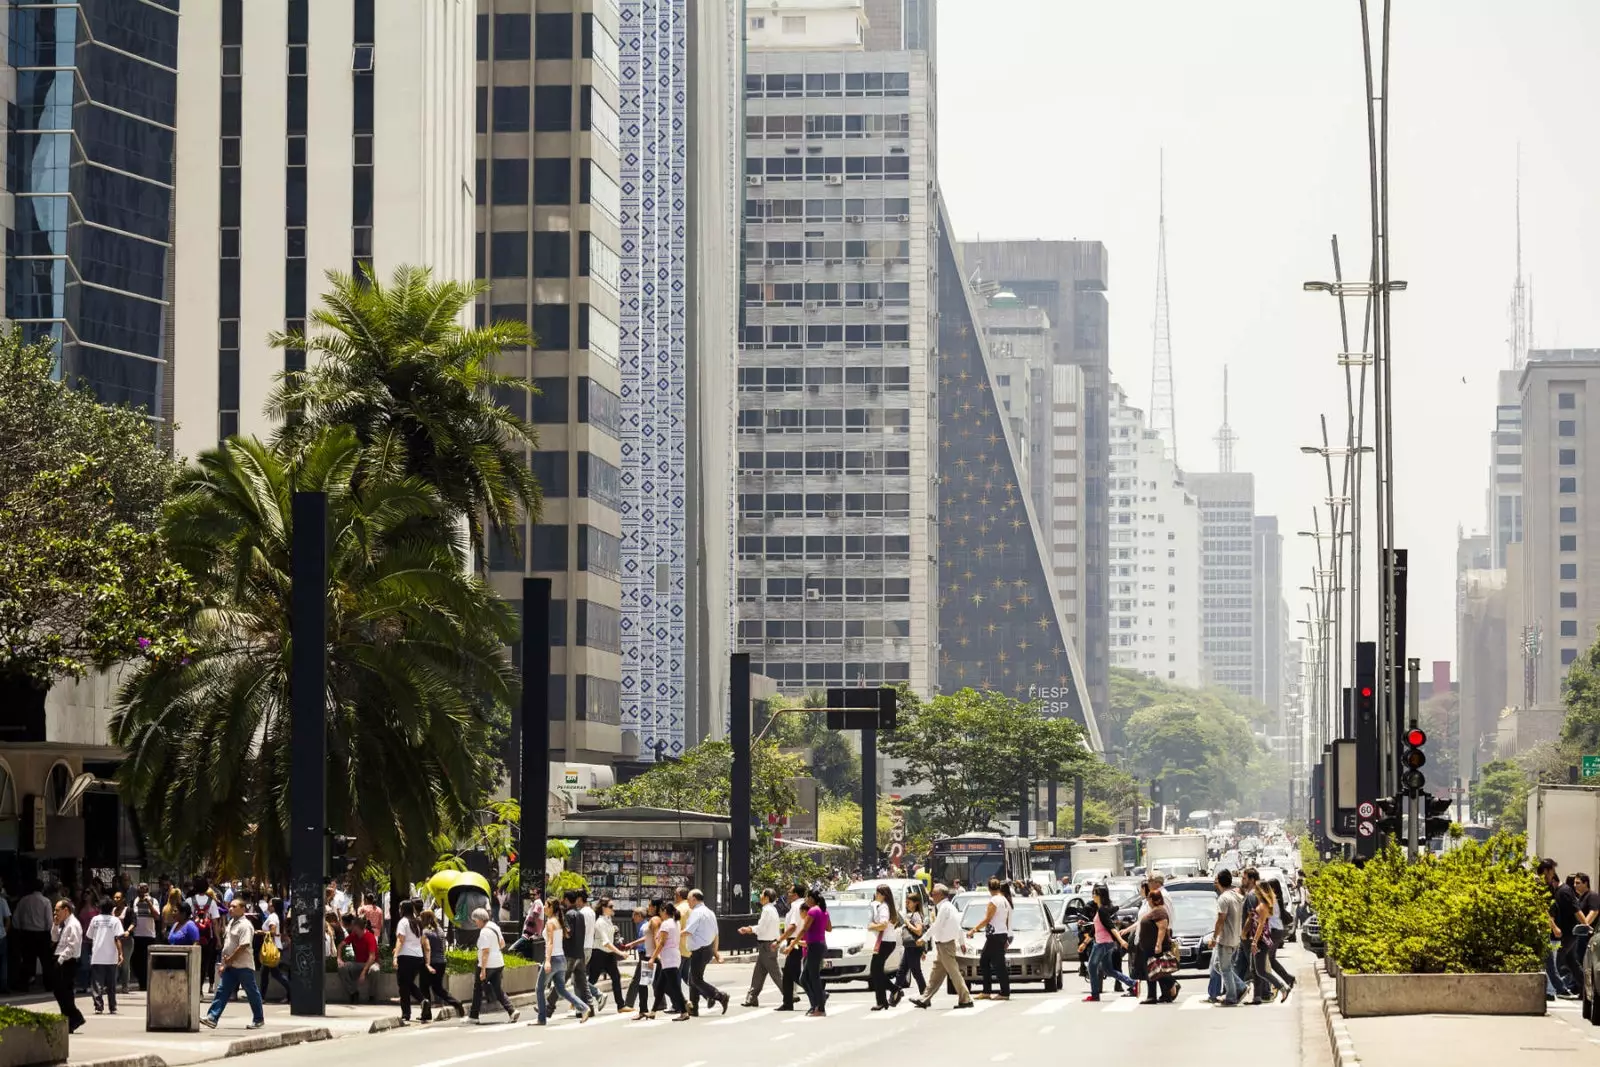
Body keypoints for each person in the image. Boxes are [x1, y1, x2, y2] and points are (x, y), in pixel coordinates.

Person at [200, 898, 264, 1030]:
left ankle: (258, 1019)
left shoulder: (245, 925)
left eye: (234, 907)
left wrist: (230, 959)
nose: (230, 909)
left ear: (243, 909)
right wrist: (225, 964)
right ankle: (212, 1017)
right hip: (230, 965)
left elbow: (244, 945)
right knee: (222, 991)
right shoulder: (231, 923)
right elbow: (228, 944)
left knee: (251, 992)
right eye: (230, 906)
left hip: (243, 965)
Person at [911, 883, 973, 1010]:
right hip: (943, 946)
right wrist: (961, 942)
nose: (931, 896)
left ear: (939, 895)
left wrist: (924, 938)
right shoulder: (949, 907)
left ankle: (966, 999)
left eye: (933, 894)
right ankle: (925, 999)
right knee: (936, 974)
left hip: (945, 945)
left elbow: (937, 926)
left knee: (954, 973)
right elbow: (959, 927)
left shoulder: (945, 908)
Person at [536, 899, 590, 1024]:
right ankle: (584, 1008)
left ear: (550, 908)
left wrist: (548, 961)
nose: (544, 908)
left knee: (539, 988)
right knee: (561, 989)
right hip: (561, 959)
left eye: (546, 905)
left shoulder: (550, 922)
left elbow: (550, 943)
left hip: (554, 958)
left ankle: (541, 1018)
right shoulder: (559, 921)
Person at [465, 906, 519, 1023]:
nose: (475, 923)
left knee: (478, 989)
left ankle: (474, 1016)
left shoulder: (484, 932)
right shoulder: (494, 926)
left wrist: (483, 970)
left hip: (487, 965)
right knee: (497, 989)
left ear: (479, 920)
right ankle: (511, 1010)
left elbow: (485, 952)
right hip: (498, 962)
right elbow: (502, 944)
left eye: (475, 921)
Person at [683, 888, 729, 1015]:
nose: (688, 903)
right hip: (706, 949)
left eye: (688, 900)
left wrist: (672, 935)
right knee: (693, 980)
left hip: (700, 951)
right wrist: (715, 952)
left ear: (694, 899)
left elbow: (688, 930)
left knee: (696, 980)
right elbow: (716, 934)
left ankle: (719, 996)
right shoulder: (710, 912)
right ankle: (693, 1008)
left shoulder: (697, 913)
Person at [1084, 884, 1134, 1002]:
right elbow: (1095, 929)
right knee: (1109, 970)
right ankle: (1133, 983)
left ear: (1100, 896)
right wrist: (1085, 943)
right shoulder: (1101, 909)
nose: (1093, 896)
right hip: (1106, 943)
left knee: (1092, 967)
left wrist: (1121, 941)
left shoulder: (1102, 910)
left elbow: (1111, 927)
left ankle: (1095, 995)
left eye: (1095, 894)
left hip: (1102, 944)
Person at [967, 877, 1013, 1001]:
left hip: (995, 935)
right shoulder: (1004, 900)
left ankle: (1004, 992)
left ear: (989, 888)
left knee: (999, 964)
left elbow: (987, 919)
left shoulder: (994, 900)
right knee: (984, 961)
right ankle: (987, 991)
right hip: (1000, 934)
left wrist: (974, 929)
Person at [1248, 876, 1290, 1004]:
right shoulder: (1266, 903)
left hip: (1261, 941)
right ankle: (1281, 988)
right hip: (1261, 940)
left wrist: (1254, 941)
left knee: (1261, 971)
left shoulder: (1263, 905)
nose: (1255, 891)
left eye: (1257, 889)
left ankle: (1283, 987)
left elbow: (1261, 925)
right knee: (1256, 969)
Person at [739, 887, 783, 1007]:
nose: (760, 897)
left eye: (762, 894)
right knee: (759, 972)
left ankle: (790, 993)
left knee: (775, 973)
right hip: (767, 945)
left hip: (767, 945)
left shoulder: (767, 910)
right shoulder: (772, 910)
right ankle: (752, 997)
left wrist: (749, 929)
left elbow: (761, 927)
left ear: (767, 897)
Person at [1208, 869, 1245, 1006]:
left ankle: (1231, 996)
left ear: (1219, 881)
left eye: (1216, 879)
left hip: (1226, 938)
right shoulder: (1236, 896)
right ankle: (1240, 986)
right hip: (1235, 937)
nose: (1214, 881)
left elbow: (1221, 919)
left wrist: (1214, 937)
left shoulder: (1223, 898)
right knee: (1219, 965)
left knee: (1225, 968)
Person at [649, 897, 690, 1021]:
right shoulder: (675, 922)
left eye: (661, 911)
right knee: (660, 986)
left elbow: (661, 943)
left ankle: (684, 1012)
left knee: (675, 987)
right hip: (673, 956)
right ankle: (653, 1011)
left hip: (669, 957)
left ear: (664, 911)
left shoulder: (666, 924)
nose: (660, 914)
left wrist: (653, 958)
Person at [418, 909, 462, 1022]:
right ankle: (456, 1003)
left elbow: (427, 948)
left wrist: (427, 964)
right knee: (438, 988)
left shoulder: (425, 932)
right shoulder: (440, 930)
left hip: (430, 962)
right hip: (441, 961)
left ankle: (426, 1013)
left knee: (424, 987)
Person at [50, 899, 86, 1032]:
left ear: (66, 910)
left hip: (67, 961)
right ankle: (68, 1018)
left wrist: (61, 960)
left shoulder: (73, 925)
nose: (55, 913)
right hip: (60, 958)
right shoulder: (63, 924)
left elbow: (73, 946)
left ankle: (75, 1018)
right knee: (59, 991)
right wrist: (55, 924)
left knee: (65, 992)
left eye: (57, 910)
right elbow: (54, 939)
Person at [1138, 888, 1178, 1004]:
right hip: (1149, 946)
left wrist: (1158, 944)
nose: (1148, 901)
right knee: (1156, 971)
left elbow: (1162, 928)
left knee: (1155, 970)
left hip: (1154, 947)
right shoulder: (1155, 910)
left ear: (1152, 900)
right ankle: (1164, 995)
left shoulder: (1159, 911)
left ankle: (1169, 986)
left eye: (1149, 899)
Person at [795, 889, 831, 1018]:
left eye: (806, 898)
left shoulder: (813, 911)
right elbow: (829, 928)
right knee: (805, 978)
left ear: (811, 898)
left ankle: (820, 1008)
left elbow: (804, 929)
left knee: (814, 977)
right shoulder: (823, 911)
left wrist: (793, 943)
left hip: (815, 946)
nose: (805, 900)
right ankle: (817, 1003)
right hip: (819, 945)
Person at [12, 880, 52, 993]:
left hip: (27, 934)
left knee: (27, 961)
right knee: (46, 961)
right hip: (42, 934)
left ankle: (24, 985)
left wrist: (20, 929)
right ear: (42, 889)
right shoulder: (45, 901)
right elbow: (49, 920)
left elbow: (15, 918)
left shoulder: (23, 900)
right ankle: (49, 985)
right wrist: (50, 932)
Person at [85, 898, 123, 1016]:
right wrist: (121, 953)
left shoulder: (95, 920)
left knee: (97, 984)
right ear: (112, 908)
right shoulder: (115, 921)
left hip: (97, 955)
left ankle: (98, 1006)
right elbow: (117, 938)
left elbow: (89, 936)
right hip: (111, 956)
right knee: (111, 984)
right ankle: (112, 1007)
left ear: (100, 908)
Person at [392, 900, 427, 1024]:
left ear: (403, 909)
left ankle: (406, 1013)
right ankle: (423, 1001)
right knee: (408, 983)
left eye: (400, 908)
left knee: (403, 985)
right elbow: (422, 940)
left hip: (405, 956)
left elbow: (400, 940)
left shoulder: (403, 922)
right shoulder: (417, 922)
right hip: (418, 956)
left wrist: (395, 956)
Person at [588, 897, 626, 1013]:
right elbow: (606, 942)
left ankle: (621, 1006)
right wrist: (620, 953)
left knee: (616, 977)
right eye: (610, 907)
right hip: (599, 953)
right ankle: (582, 1003)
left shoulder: (608, 920)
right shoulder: (600, 922)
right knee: (592, 980)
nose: (613, 909)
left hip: (609, 954)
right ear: (604, 908)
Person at [867, 884, 901, 1011]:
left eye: (877, 893)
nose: (876, 895)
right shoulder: (887, 906)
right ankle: (882, 1001)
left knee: (875, 971)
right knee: (877, 971)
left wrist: (871, 926)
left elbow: (883, 924)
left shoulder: (883, 907)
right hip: (886, 941)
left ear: (883, 895)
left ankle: (893, 990)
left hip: (885, 942)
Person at [891, 888, 927, 1006]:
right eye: (906, 902)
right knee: (901, 972)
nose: (907, 904)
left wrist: (907, 924)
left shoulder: (916, 915)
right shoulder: (912, 914)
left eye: (909, 902)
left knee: (916, 972)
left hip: (914, 947)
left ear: (916, 903)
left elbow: (918, 931)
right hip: (909, 947)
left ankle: (925, 997)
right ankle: (894, 996)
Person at [775, 883, 806, 1011]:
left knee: (793, 973)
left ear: (796, 895)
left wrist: (779, 940)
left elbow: (792, 926)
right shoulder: (802, 905)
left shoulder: (796, 906)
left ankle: (818, 993)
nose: (788, 894)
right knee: (788, 974)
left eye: (790, 892)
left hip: (795, 941)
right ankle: (787, 1002)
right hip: (797, 940)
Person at [625, 905, 660, 1018]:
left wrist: (653, 956)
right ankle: (644, 1010)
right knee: (644, 983)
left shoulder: (648, 924)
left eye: (633, 915)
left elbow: (652, 939)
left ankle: (682, 1003)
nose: (632, 918)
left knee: (651, 982)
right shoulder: (647, 924)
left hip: (647, 956)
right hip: (649, 956)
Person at [339, 913, 380, 1003]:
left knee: (375, 970)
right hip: (358, 963)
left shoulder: (370, 937)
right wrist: (339, 958)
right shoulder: (353, 935)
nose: (351, 929)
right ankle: (353, 992)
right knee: (342, 967)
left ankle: (372, 995)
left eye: (353, 927)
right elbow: (341, 945)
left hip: (371, 963)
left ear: (358, 927)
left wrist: (363, 972)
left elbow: (372, 957)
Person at [258, 898, 291, 1002]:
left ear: (274, 906)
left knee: (273, 974)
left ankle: (292, 991)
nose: (268, 904)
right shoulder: (276, 916)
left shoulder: (272, 917)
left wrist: (260, 932)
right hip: (275, 947)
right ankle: (261, 996)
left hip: (271, 948)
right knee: (270, 973)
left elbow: (272, 932)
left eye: (270, 903)